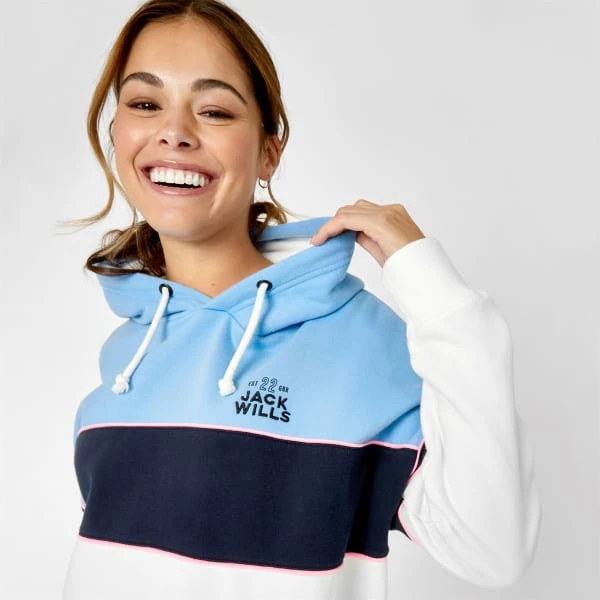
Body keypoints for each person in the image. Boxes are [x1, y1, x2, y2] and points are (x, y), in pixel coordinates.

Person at [62, 1, 541, 598]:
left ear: (270, 149)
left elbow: (492, 551)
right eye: (144, 104)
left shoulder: (361, 344)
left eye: (214, 110)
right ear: (116, 133)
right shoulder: (124, 355)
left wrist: (434, 288)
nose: (174, 131)